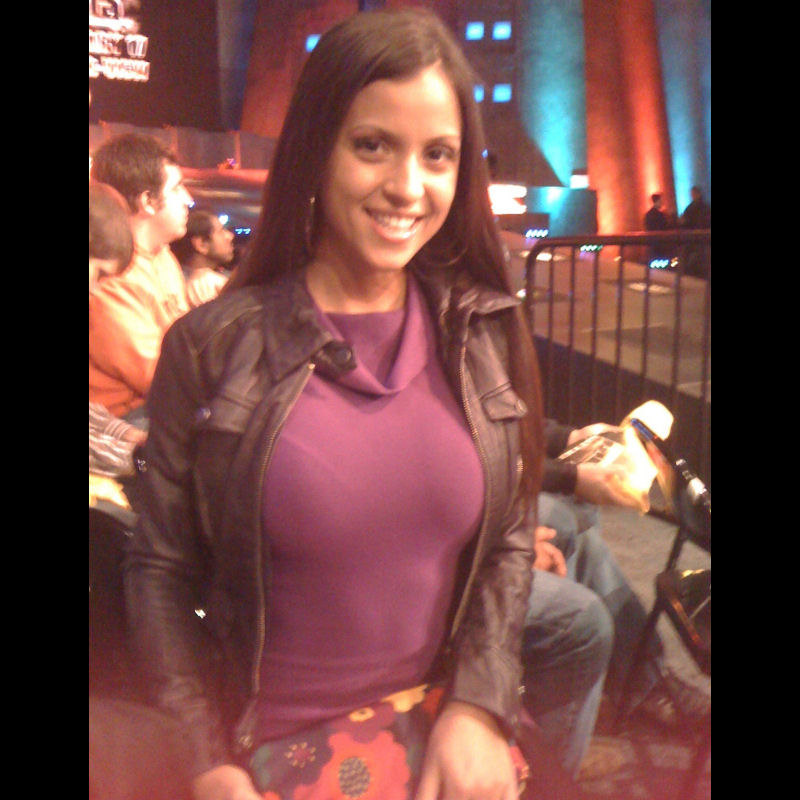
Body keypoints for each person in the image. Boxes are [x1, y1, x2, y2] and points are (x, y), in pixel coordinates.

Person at [123, 9, 575, 800]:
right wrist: (205, 759)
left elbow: (507, 536)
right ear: (317, 149)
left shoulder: (482, 330)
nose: (408, 187)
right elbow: (160, 569)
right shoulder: (213, 346)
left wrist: (480, 702)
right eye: (373, 145)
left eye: (437, 155)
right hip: (271, 756)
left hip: (443, 731)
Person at [89, 132, 195, 424]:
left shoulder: (162, 256)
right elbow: (160, 377)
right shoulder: (110, 274)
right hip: (126, 416)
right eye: (177, 188)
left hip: (157, 400)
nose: (188, 199)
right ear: (147, 200)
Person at [170, 208, 234, 307]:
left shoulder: (225, 277)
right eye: (221, 231)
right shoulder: (175, 287)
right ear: (201, 244)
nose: (230, 236)